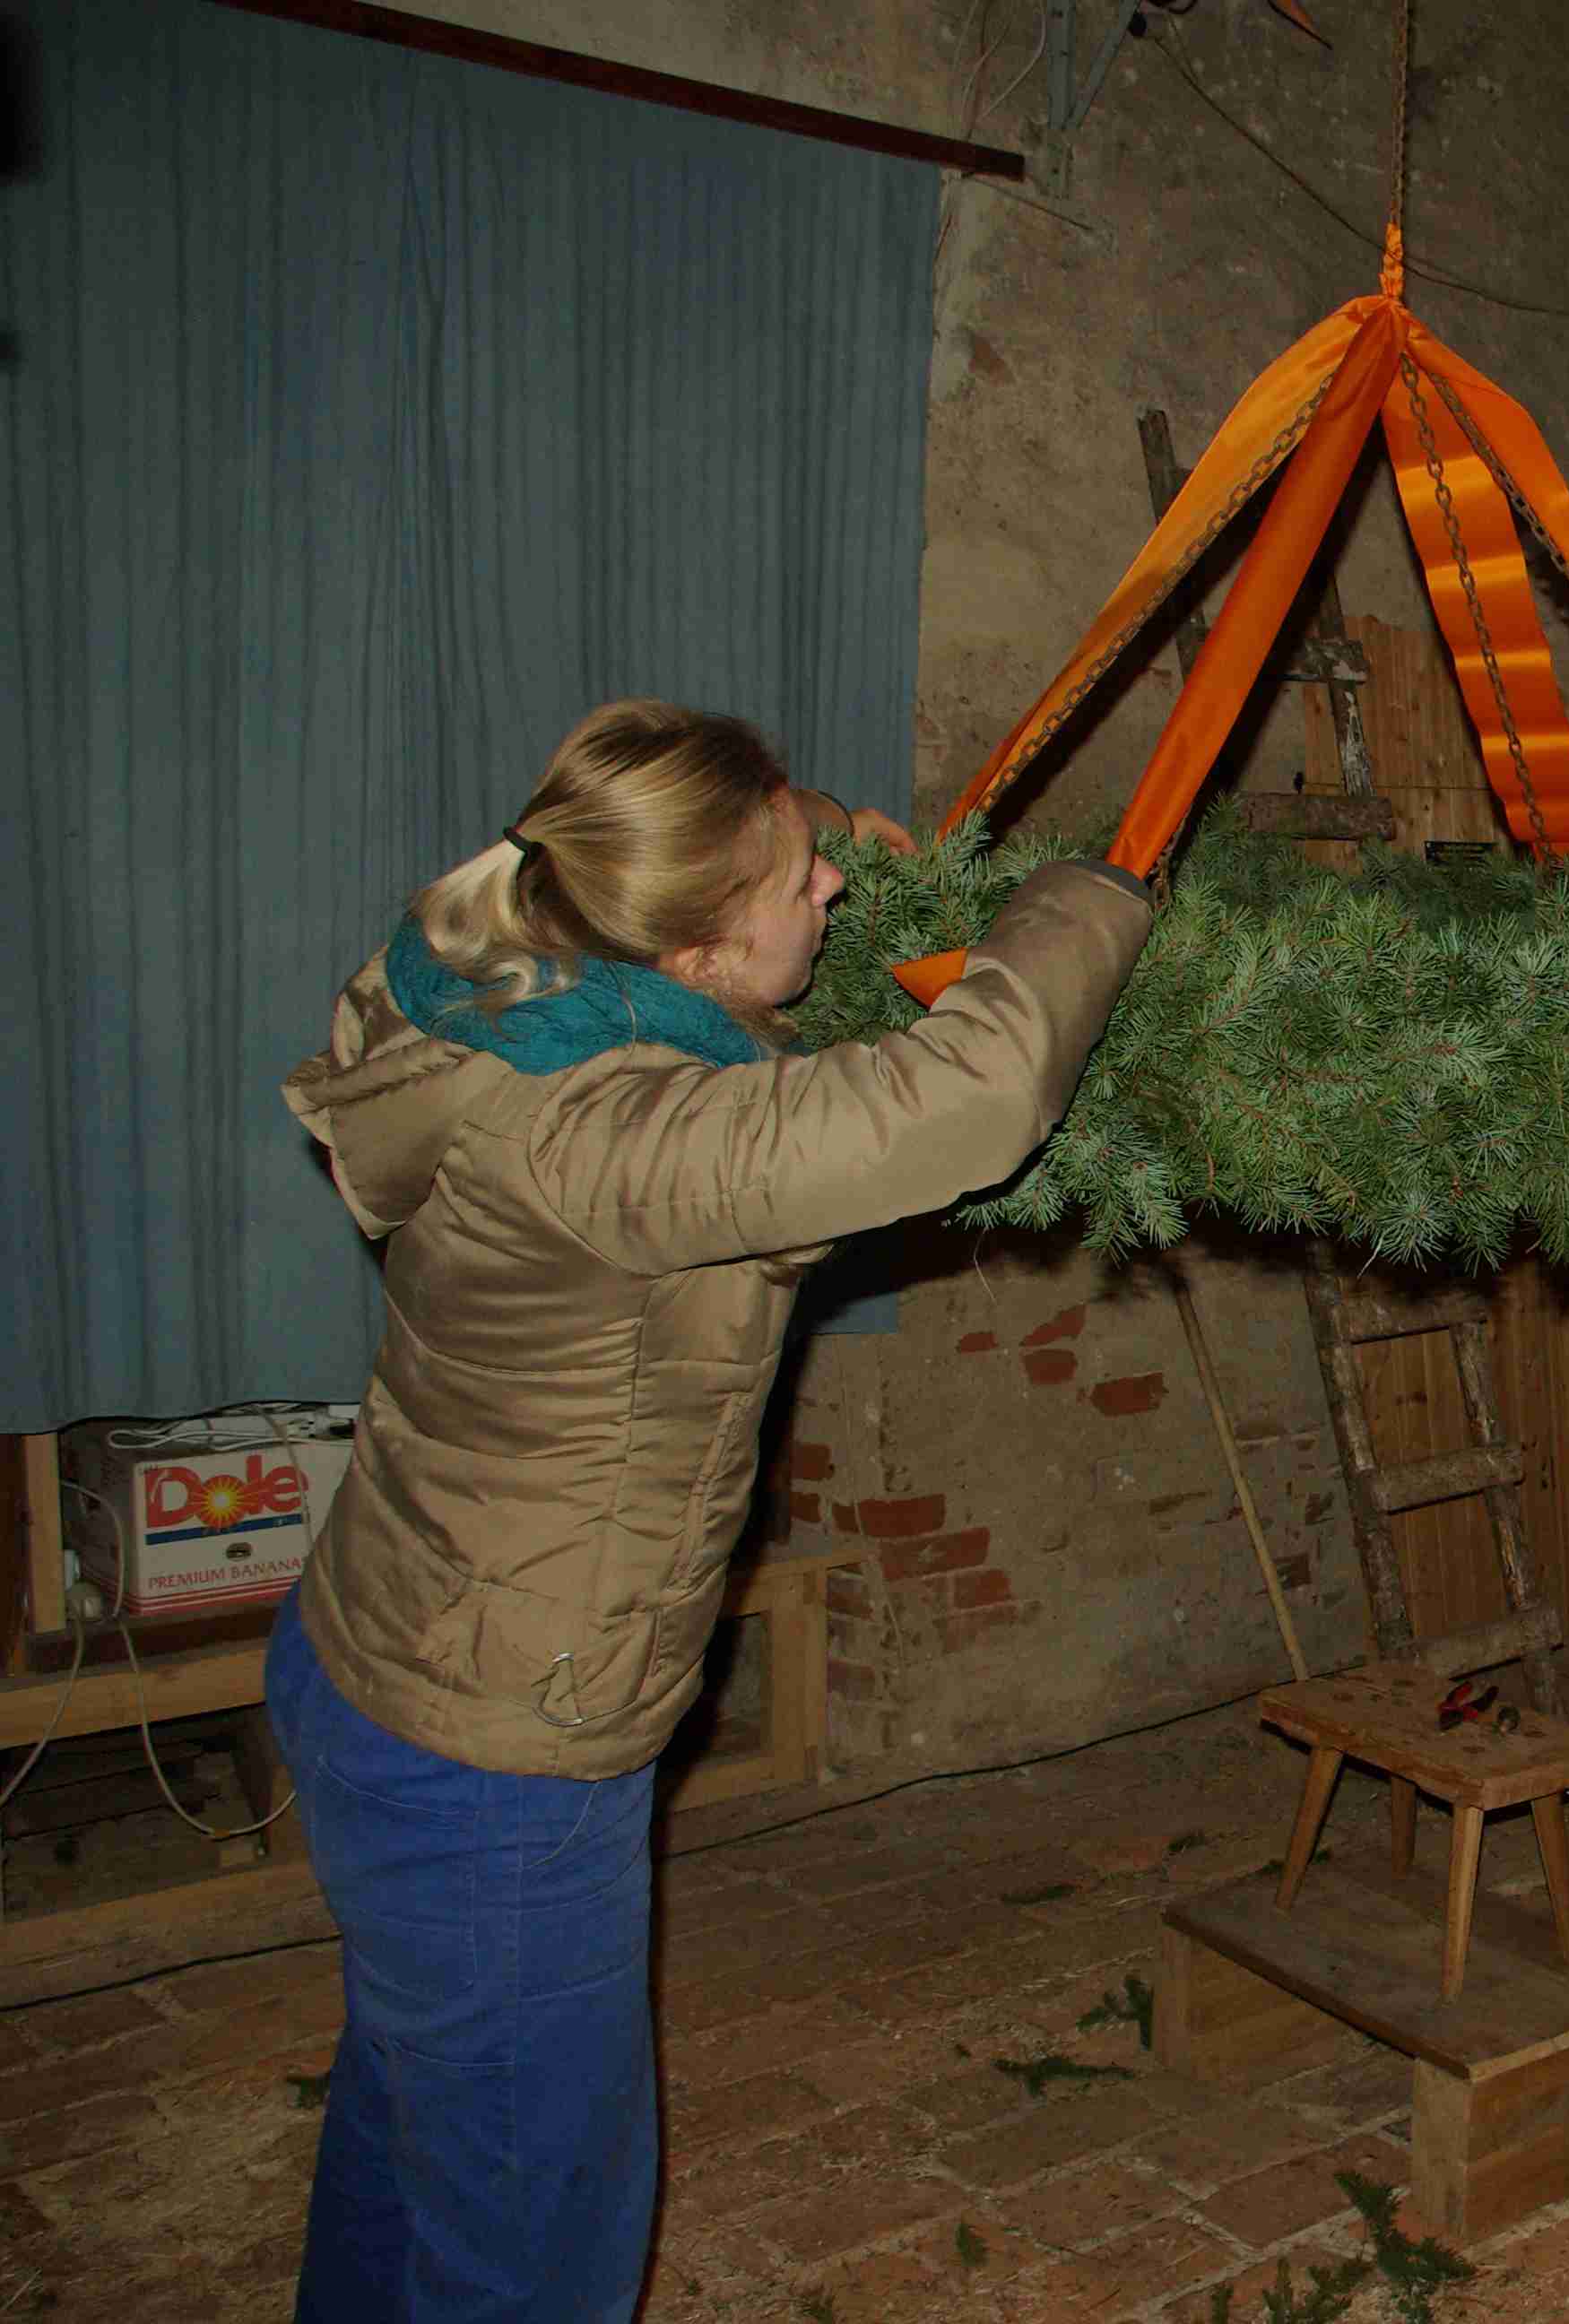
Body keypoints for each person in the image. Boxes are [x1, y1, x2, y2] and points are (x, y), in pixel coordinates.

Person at [266, 698, 1152, 2322]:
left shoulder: (496, 970)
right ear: (690, 943)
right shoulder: (610, 1138)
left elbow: (659, 833)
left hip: (379, 1661)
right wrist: (1095, 892)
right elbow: (970, 1096)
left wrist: (818, 827)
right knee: (536, 2250)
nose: (832, 890)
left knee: (415, 2141)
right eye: (801, 881)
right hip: (498, 1761)